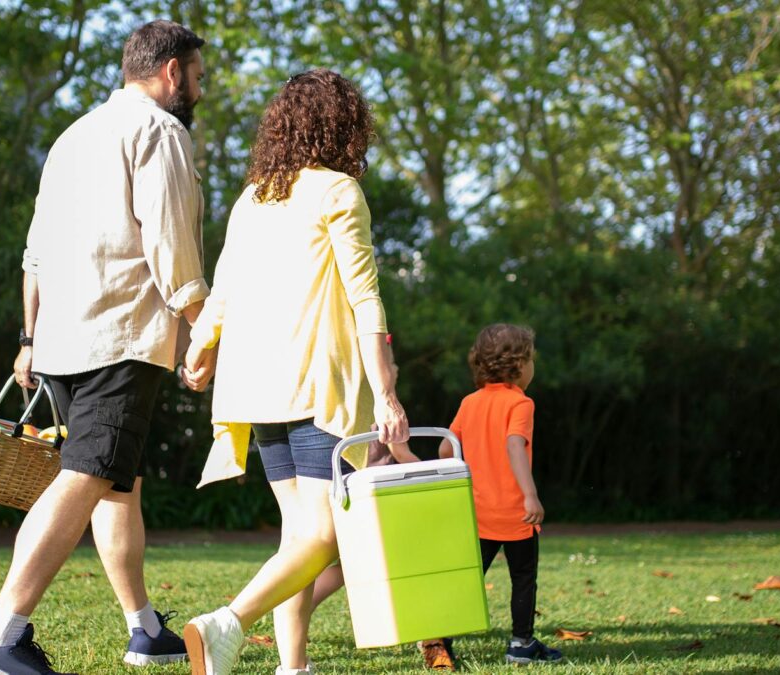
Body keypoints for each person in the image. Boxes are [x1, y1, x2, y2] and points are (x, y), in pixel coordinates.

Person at [0, 20, 213, 675]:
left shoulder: (71, 137)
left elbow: (35, 252)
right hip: (119, 337)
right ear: (172, 72)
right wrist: (203, 328)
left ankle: (143, 628)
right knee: (87, 475)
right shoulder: (159, 131)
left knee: (116, 485)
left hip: (65, 340)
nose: (199, 89)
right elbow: (171, 244)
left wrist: (29, 337)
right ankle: (0, 633)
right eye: (197, 76)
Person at [178, 69, 410, 675]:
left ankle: (294, 667)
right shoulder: (339, 191)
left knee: (297, 537)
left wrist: (200, 347)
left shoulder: (254, 196)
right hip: (314, 383)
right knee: (324, 536)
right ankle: (227, 623)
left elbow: (223, 286)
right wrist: (386, 393)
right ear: (343, 127)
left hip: (255, 388)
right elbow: (366, 299)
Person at [431, 323, 562, 666]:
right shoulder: (521, 403)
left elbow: (445, 449)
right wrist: (530, 495)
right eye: (531, 359)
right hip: (515, 512)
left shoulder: (469, 402)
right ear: (519, 364)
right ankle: (521, 644)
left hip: (477, 512)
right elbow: (514, 444)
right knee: (523, 578)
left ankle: (442, 640)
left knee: (469, 577)